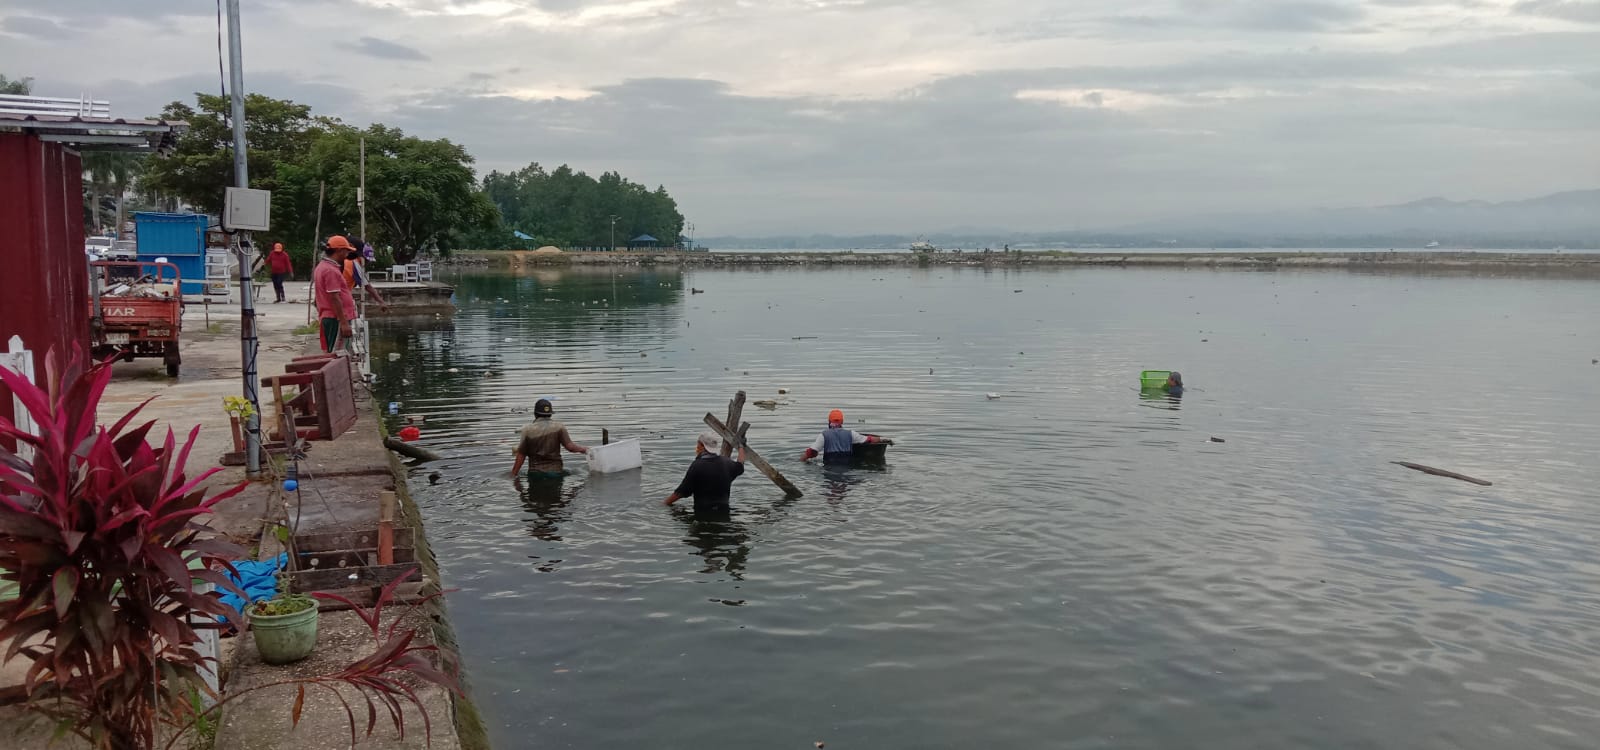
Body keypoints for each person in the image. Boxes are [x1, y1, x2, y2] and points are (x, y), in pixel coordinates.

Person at [664, 432, 746, 514]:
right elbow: (740, 465)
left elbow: (681, 492)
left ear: (702, 446)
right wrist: (741, 446)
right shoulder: (727, 463)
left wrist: (664, 504)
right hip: (723, 511)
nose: (697, 448)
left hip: (703, 513)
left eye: (698, 445)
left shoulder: (697, 466)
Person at [510, 399, 588, 479]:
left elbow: (521, 455)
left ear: (535, 414)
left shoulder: (527, 430)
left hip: (535, 475)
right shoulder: (559, 427)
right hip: (555, 473)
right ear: (550, 414)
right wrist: (585, 449)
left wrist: (513, 475)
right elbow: (570, 447)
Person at [313, 236, 358, 353]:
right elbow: (334, 297)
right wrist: (343, 322)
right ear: (340, 250)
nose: (347, 254)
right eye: (346, 250)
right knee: (337, 354)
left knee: (335, 353)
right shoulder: (330, 270)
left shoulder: (324, 267)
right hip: (335, 319)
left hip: (332, 317)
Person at [801, 409, 885, 463]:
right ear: (842, 422)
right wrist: (883, 440)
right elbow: (869, 439)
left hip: (829, 468)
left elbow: (812, 452)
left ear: (829, 421)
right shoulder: (851, 434)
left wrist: (801, 460)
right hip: (847, 466)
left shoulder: (824, 435)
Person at [342, 236, 390, 312]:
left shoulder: (343, 261)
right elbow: (367, 286)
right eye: (367, 260)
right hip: (341, 301)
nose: (367, 263)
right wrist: (381, 302)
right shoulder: (353, 263)